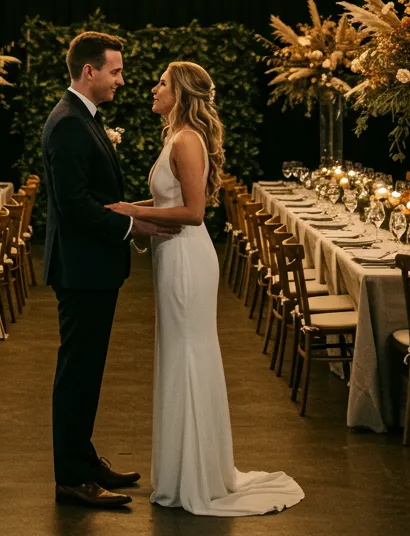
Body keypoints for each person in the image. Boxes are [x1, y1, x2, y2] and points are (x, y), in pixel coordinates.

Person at [107, 60, 305, 517]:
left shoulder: (188, 140)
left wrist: (132, 216)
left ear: (181, 94)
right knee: (178, 354)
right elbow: (165, 202)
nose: (153, 89)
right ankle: (183, 469)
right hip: (171, 256)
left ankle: (196, 476)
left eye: (162, 83)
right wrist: (125, 208)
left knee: (189, 355)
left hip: (185, 258)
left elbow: (194, 213)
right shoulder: (175, 137)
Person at [42, 29, 178, 510]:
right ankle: (71, 478)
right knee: (77, 372)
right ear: (89, 71)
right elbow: (74, 205)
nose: (122, 79)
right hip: (81, 271)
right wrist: (133, 228)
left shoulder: (85, 118)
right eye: (116, 71)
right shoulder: (68, 124)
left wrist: (134, 216)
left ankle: (83, 458)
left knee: (87, 370)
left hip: (92, 270)